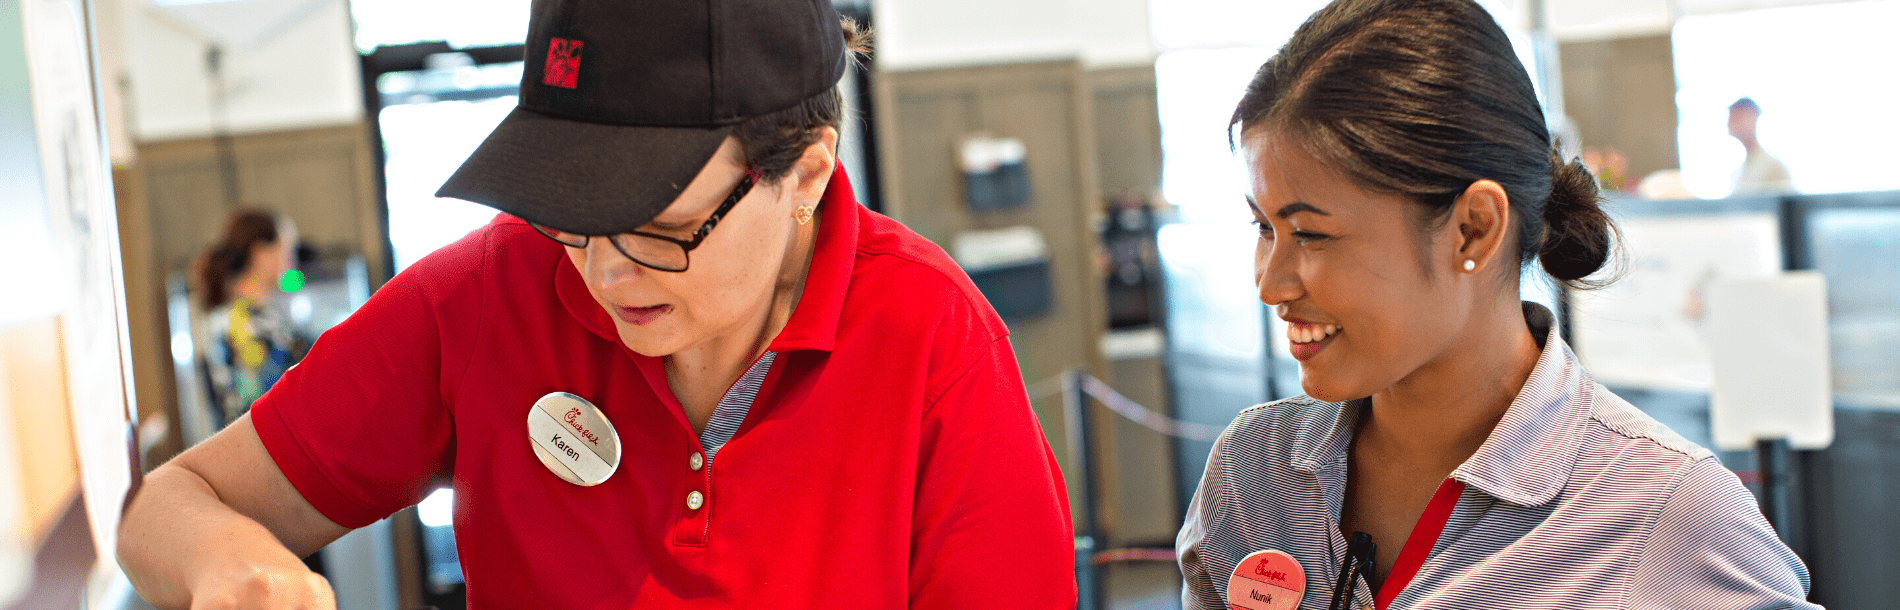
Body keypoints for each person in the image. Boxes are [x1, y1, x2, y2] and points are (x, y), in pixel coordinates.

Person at [118, 1, 1077, 608]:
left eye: (661, 227)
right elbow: (167, 507)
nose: (607, 273)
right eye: (574, 217)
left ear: (807, 176)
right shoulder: (490, 294)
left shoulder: (931, 337)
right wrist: (230, 567)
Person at [1176, 1, 1818, 609]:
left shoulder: (1666, 510)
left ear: (1473, 229)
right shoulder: (1253, 471)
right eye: (1264, 227)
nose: (1271, 283)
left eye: (1311, 233)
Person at [194, 208, 307, 427]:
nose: (292, 262)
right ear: (261, 254)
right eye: (287, 250)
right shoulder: (249, 324)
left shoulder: (233, 316)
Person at [1728, 97, 1793, 195]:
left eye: (1736, 117)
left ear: (1752, 117)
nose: (1729, 123)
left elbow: (1784, 207)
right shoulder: (1740, 170)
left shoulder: (1773, 167)